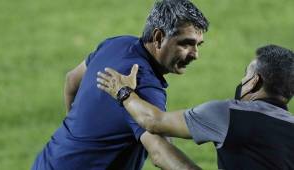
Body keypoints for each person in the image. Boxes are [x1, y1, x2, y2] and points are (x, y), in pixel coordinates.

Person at [32, 0, 209, 169]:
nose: (195, 54)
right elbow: (159, 153)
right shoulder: (141, 84)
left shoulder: (117, 43)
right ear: (159, 37)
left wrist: (76, 132)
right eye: (186, 44)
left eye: (198, 45)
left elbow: (71, 80)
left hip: (49, 159)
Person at [97, 44, 294, 169]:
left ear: (254, 81)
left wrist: (124, 93)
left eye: (246, 74)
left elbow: (153, 121)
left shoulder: (230, 114)